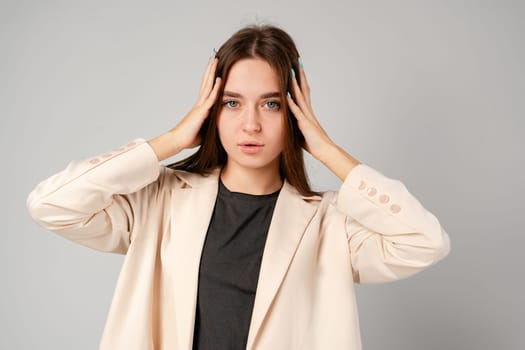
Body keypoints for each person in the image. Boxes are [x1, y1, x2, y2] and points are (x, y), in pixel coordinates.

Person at [26, 24, 451, 350]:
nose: (251, 124)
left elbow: (425, 242)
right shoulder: (160, 202)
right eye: (232, 103)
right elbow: (51, 205)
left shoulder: (329, 226)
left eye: (271, 104)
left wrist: (324, 148)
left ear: (296, 114)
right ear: (211, 109)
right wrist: (171, 140)